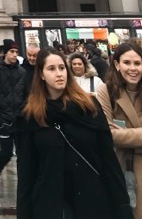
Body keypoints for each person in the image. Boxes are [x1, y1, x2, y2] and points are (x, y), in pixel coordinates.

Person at [17, 48, 133, 219]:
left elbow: (108, 159)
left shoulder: (89, 106)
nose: (59, 74)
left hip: (92, 199)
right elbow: (26, 172)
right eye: (51, 69)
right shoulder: (29, 115)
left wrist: (122, 206)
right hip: (51, 202)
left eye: (62, 68)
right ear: (41, 74)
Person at [97, 42, 142, 219]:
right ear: (116, 64)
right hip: (118, 166)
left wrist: (123, 135)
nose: (133, 68)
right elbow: (107, 134)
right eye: (127, 63)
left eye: (137, 63)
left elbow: (116, 134)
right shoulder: (106, 91)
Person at [0, 38, 27, 195]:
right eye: (12, 52)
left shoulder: (22, 72)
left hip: (20, 118)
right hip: (3, 118)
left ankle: (24, 182)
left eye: (16, 52)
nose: (15, 55)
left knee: (23, 153)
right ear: (6, 53)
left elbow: (26, 94)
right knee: (6, 153)